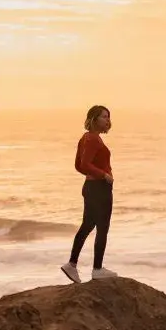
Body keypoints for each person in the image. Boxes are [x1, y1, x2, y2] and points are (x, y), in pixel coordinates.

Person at [62, 105, 119, 283]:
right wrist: (104, 176)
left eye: (108, 117)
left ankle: (72, 264)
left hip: (90, 187)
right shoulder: (93, 139)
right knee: (102, 228)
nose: (107, 120)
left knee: (87, 225)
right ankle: (97, 269)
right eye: (104, 117)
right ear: (94, 119)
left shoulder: (86, 138)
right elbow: (85, 165)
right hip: (99, 188)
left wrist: (94, 175)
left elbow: (79, 166)